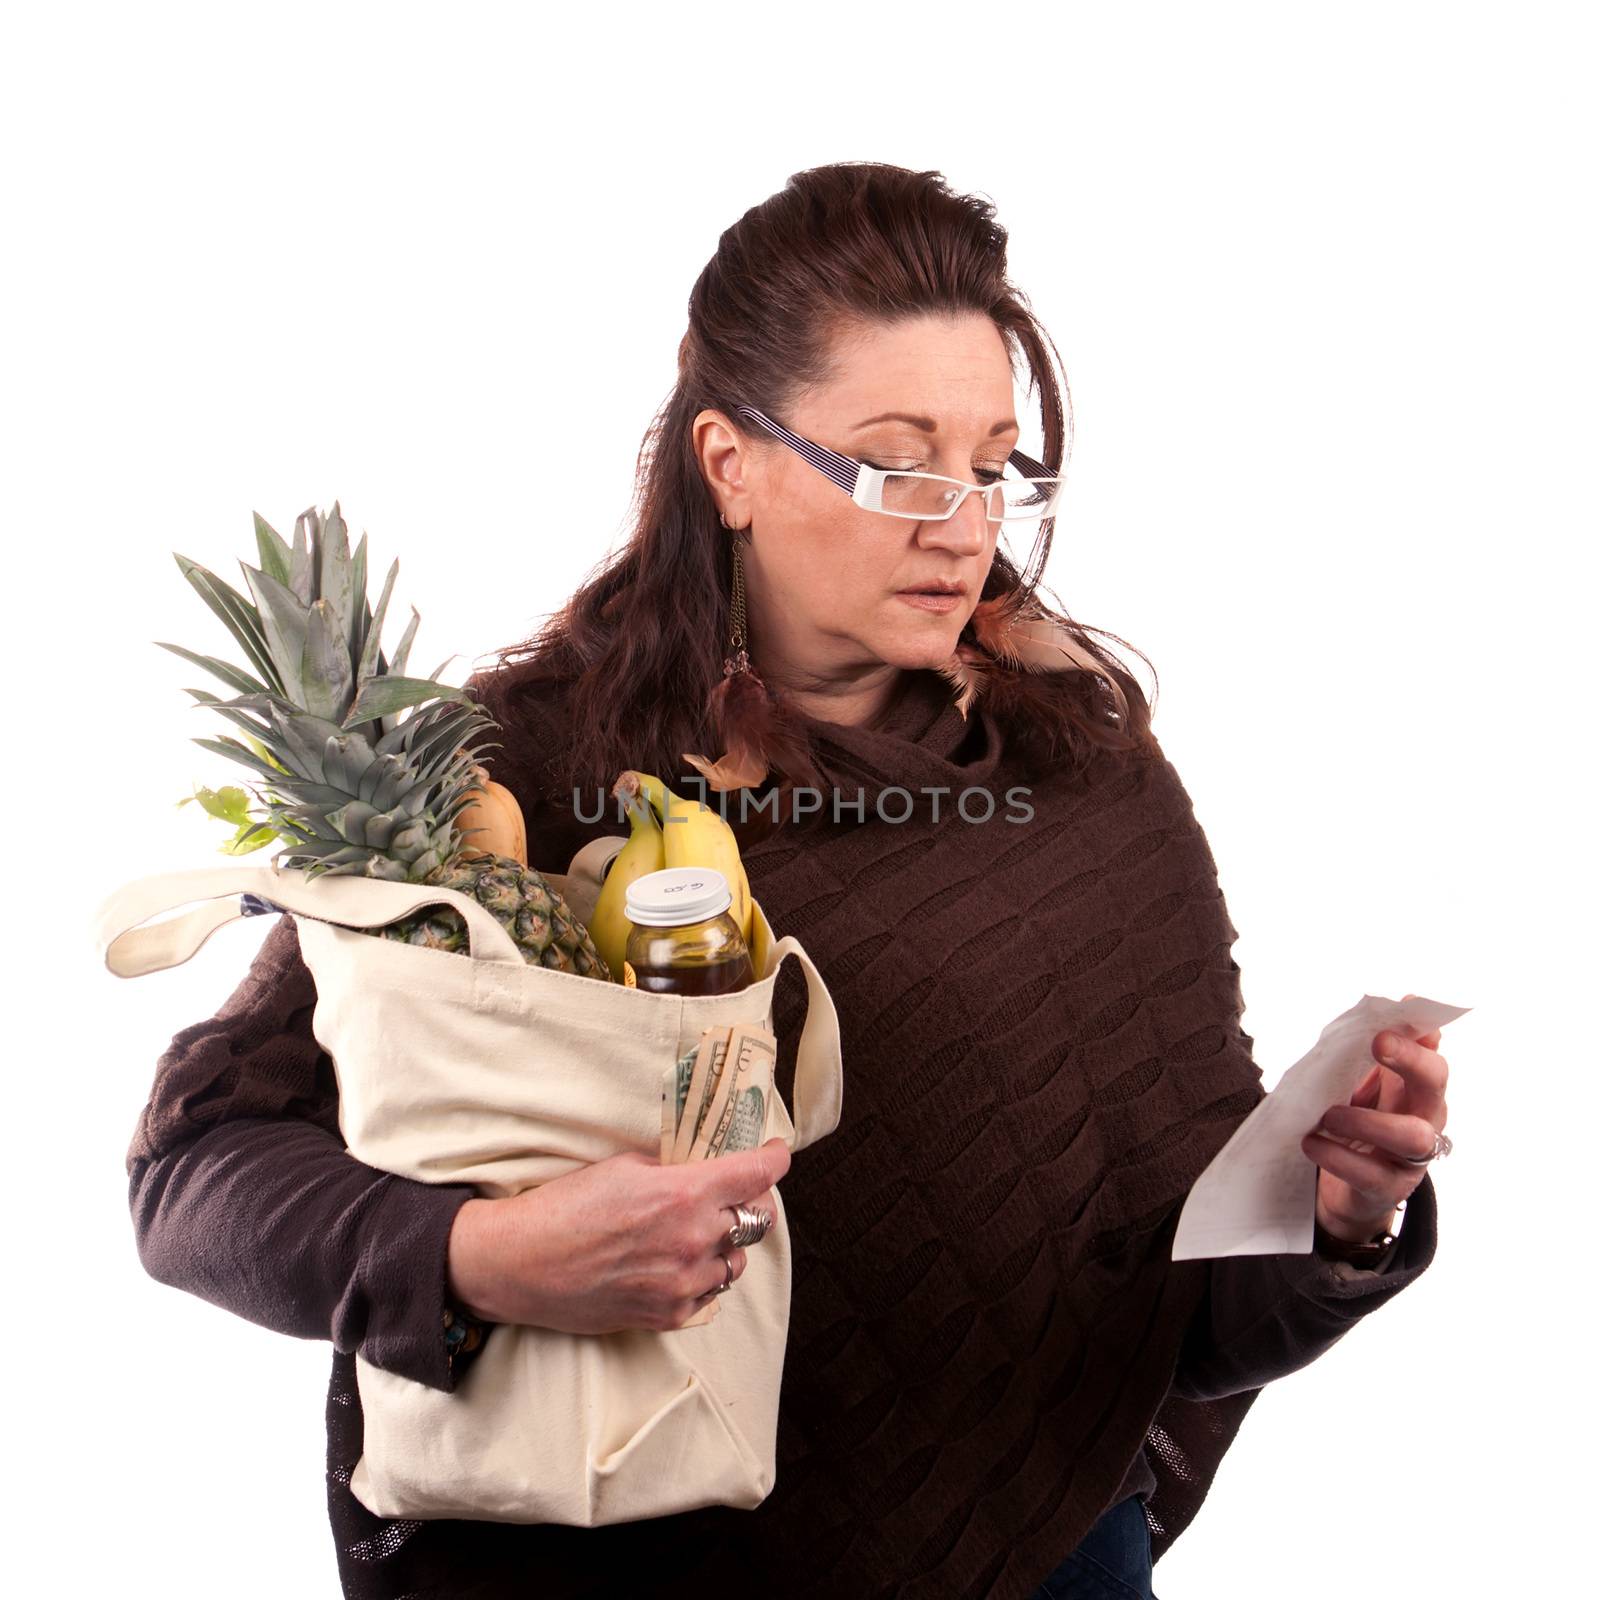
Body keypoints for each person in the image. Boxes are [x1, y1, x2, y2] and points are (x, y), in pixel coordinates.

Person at [126, 160, 1448, 1600]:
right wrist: (478, 1256)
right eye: (899, 463)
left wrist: (1336, 1219)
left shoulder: (1087, 776)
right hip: (605, 1566)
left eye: (995, 466)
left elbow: (1171, 1312)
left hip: (1045, 1557)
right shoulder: (515, 776)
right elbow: (193, 1176)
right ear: (729, 463)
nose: (963, 523)